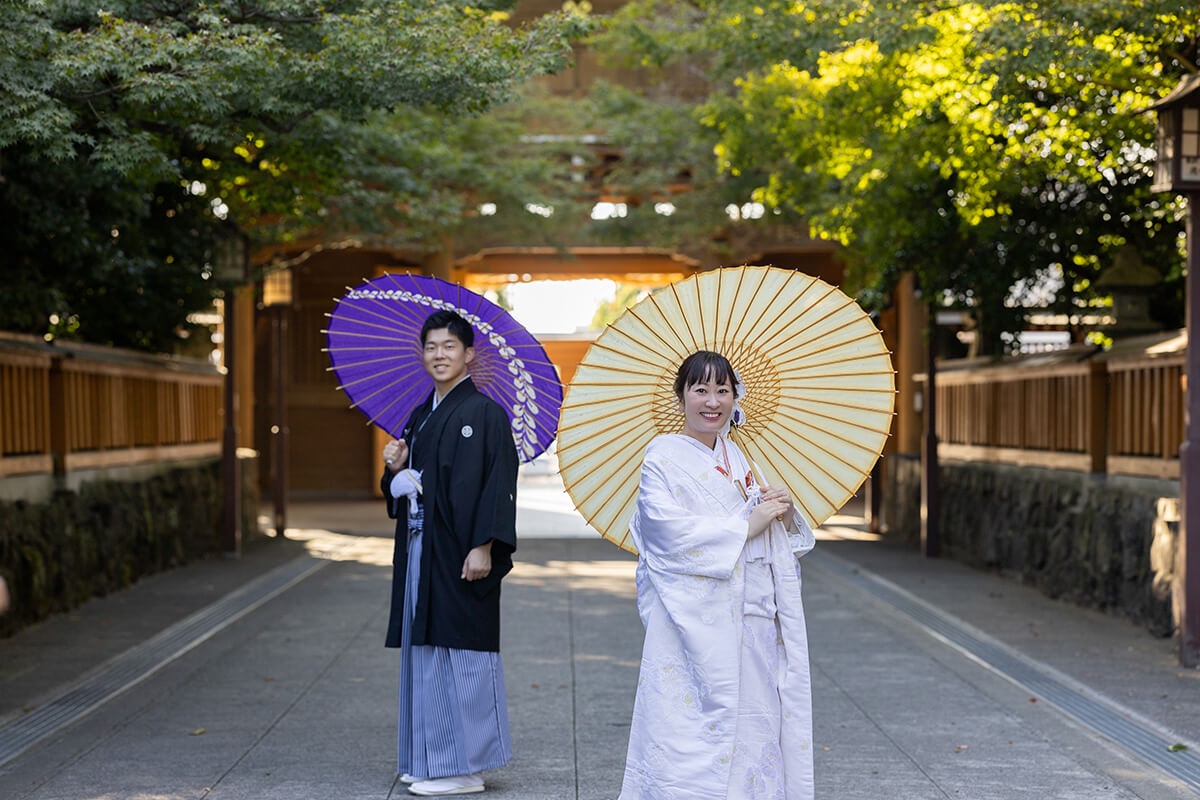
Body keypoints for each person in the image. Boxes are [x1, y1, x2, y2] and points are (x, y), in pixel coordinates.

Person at [618, 350, 816, 800]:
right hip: (692, 625)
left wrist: (781, 514)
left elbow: (775, 541)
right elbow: (665, 534)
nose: (712, 401)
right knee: (687, 732)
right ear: (681, 397)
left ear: (735, 397)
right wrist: (747, 525)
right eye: (700, 389)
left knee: (754, 725)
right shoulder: (661, 459)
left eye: (722, 390)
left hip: (751, 619)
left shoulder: (741, 461)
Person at [381, 309, 519, 797]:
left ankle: (466, 766)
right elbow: (412, 482)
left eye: (449, 346)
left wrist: (484, 545)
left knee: (463, 651)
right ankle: (431, 758)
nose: (439, 355)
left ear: (469, 354)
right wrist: (394, 473)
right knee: (425, 650)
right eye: (431, 347)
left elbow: (497, 484)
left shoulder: (484, 413)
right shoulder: (423, 414)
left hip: (462, 550)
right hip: (423, 548)